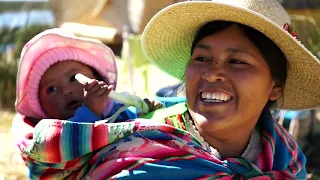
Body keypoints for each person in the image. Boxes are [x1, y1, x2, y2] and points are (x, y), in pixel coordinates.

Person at [11, 28, 161, 179]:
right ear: (39, 105)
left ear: (97, 79)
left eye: (73, 78)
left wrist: (146, 114)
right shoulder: (41, 136)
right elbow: (54, 151)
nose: (66, 91)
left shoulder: (116, 110)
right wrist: (89, 112)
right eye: (51, 89)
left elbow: (131, 125)